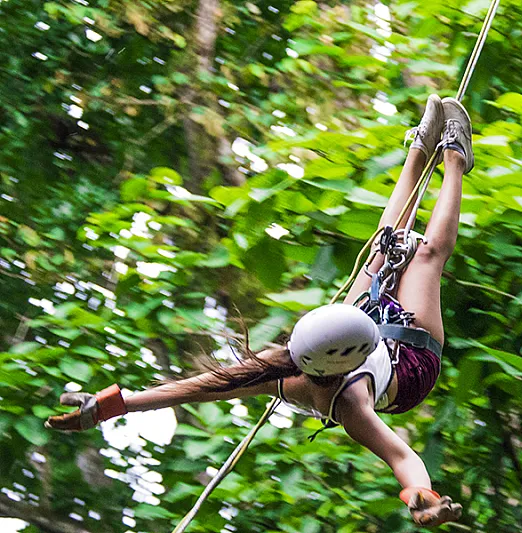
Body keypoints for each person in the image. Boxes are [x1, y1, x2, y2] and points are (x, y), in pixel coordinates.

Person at [46, 94, 473, 528]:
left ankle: (419, 150)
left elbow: (198, 387)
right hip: (410, 366)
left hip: (359, 329)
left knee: (381, 251)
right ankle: (456, 159)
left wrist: (109, 406)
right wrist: (423, 498)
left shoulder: (288, 362)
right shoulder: (351, 408)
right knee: (426, 255)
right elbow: (403, 456)